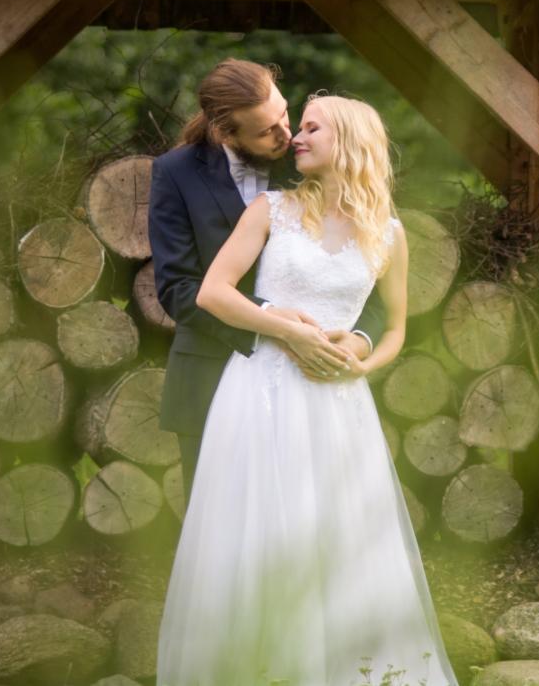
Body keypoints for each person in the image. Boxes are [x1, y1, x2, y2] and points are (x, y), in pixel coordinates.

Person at [156, 92, 459, 686]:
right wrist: (287, 329)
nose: (297, 137)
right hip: (259, 390)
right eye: (301, 127)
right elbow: (213, 293)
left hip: (338, 403)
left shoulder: (389, 235)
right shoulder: (271, 209)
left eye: (313, 128)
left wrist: (361, 361)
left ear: (348, 141)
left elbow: (395, 327)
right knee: (255, 533)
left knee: (337, 536)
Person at [148, 59, 384, 503]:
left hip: (314, 381)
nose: (287, 135)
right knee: (220, 530)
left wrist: (357, 341)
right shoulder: (175, 173)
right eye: (266, 131)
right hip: (211, 372)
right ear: (225, 133)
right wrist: (273, 324)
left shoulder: (312, 158)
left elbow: (367, 266)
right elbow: (178, 288)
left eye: (285, 115)